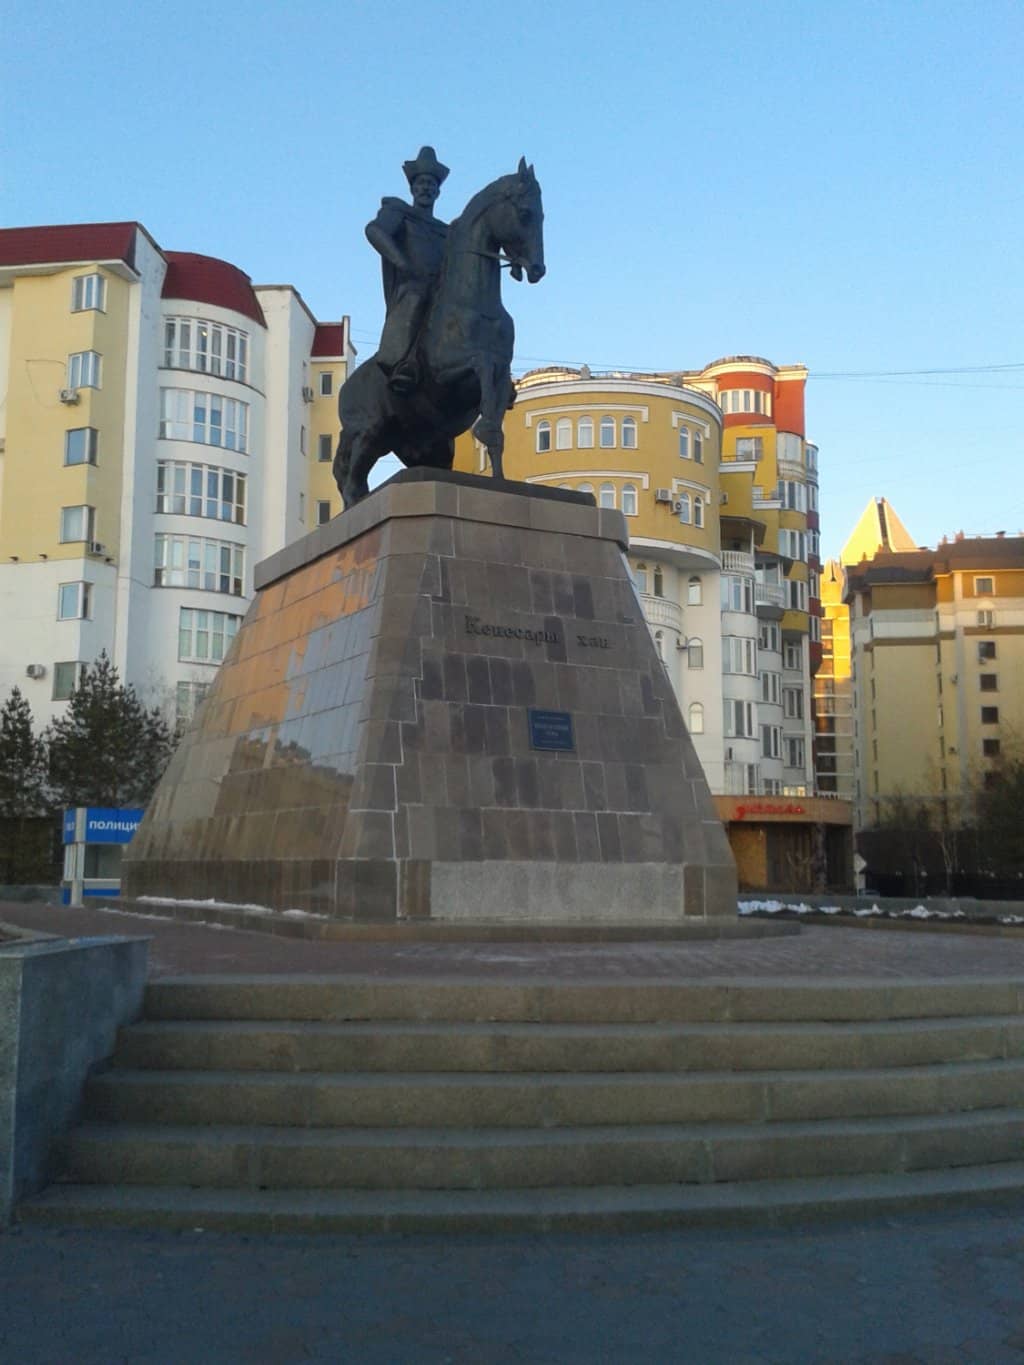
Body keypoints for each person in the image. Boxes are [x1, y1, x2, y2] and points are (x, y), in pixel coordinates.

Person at [366, 146, 450, 393]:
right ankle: (403, 362)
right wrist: (403, 263)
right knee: (416, 296)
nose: (426, 188)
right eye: (422, 182)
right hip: (412, 285)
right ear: (413, 188)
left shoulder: (446, 231)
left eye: (431, 184)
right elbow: (375, 231)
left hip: (443, 289)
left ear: (438, 192)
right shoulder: (399, 213)